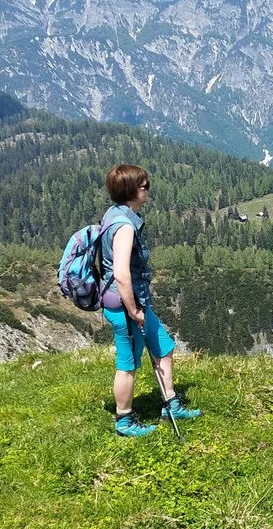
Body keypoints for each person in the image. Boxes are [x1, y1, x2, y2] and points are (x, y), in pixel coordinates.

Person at [100, 164, 201, 436]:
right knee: (128, 363)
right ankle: (124, 420)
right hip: (125, 306)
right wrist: (133, 310)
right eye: (144, 186)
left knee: (164, 346)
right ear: (131, 191)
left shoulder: (115, 215)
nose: (148, 190)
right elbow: (121, 274)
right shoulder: (124, 226)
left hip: (136, 303)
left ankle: (171, 403)